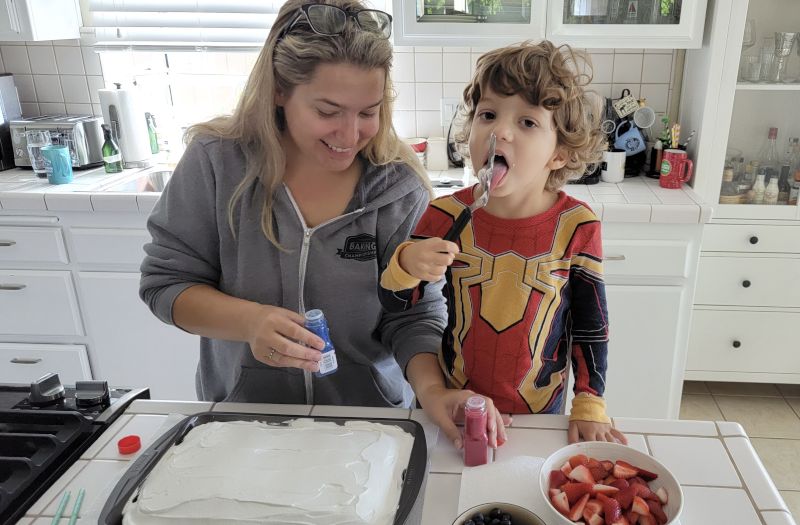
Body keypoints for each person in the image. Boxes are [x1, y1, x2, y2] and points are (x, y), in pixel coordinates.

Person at [139, 0, 447, 407]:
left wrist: (433, 392)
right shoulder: (216, 163)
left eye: (368, 113)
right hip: (243, 418)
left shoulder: (398, 187)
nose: (351, 134)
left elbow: (414, 314)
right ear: (280, 89)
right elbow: (166, 286)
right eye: (328, 111)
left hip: (370, 422)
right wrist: (250, 323)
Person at [379, 40, 628, 447]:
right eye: (488, 114)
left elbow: (590, 325)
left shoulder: (577, 225)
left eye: (528, 123)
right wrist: (405, 264)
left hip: (542, 415)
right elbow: (395, 308)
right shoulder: (444, 216)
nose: (500, 131)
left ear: (560, 154)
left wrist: (589, 401)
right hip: (459, 408)